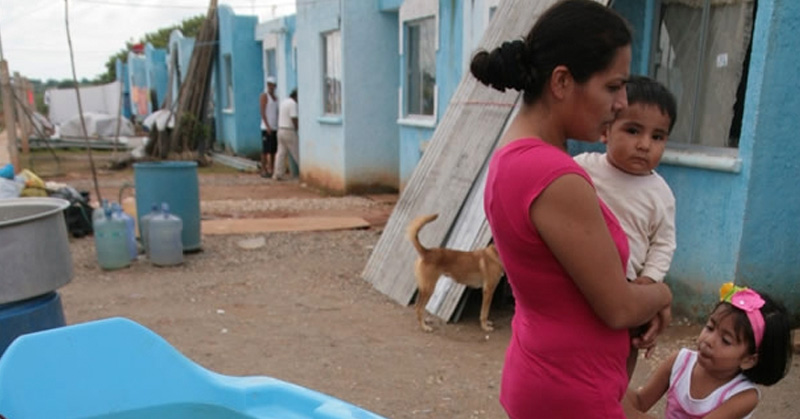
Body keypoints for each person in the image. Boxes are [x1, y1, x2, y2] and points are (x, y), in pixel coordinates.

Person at [470, 1, 673, 417]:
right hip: (572, 389)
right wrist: (662, 294)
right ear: (562, 81)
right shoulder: (555, 176)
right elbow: (618, 307)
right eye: (613, 87)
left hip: (548, 373)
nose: (622, 103)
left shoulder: (513, 156)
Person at [574, 75, 678, 377]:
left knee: (625, 351)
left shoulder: (660, 194)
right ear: (605, 130)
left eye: (657, 137)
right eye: (633, 131)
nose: (644, 145)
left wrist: (650, 279)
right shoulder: (582, 168)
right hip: (580, 282)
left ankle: (616, 394)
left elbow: (663, 243)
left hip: (629, 289)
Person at [624, 283, 793, 418]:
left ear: (748, 360)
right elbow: (640, 402)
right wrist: (614, 383)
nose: (708, 340)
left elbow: (635, 412)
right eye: (710, 327)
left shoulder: (744, 396)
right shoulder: (679, 362)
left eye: (726, 341)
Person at [273, 89, 298, 181]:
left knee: (281, 153)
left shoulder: (284, 102)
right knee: (297, 151)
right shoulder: (293, 104)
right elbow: (294, 117)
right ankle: (304, 172)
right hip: (289, 130)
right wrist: (297, 127)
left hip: (280, 129)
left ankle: (278, 173)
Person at [259, 76, 279, 178]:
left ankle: (272, 168)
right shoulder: (264, 96)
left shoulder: (276, 98)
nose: (271, 87)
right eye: (269, 85)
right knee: (265, 150)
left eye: (273, 85)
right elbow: (262, 112)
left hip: (274, 127)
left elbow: (276, 112)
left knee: (273, 150)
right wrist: (267, 126)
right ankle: (263, 169)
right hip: (266, 127)